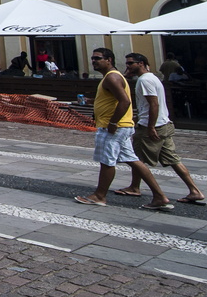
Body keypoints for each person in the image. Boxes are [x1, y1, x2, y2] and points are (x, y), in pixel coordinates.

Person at [74, 48, 173, 210]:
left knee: (107, 161)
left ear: (109, 60)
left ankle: (99, 196)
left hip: (115, 127)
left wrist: (113, 123)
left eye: (97, 58)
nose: (93, 61)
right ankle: (159, 196)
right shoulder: (112, 77)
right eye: (92, 58)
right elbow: (112, 100)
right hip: (122, 126)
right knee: (133, 160)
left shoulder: (112, 77)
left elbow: (125, 101)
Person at [114, 52, 206, 205]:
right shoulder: (152, 78)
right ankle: (194, 190)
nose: (127, 66)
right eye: (127, 63)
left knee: (137, 158)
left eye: (130, 63)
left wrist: (150, 126)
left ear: (141, 63)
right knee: (173, 159)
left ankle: (137, 188)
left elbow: (153, 104)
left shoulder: (144, 80)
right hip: (164, 124)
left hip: (152, 126)